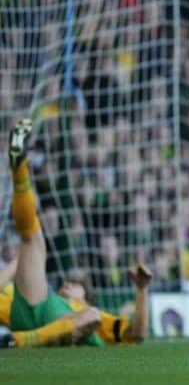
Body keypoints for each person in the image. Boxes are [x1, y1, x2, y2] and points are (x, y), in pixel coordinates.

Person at [0, 118, 153, 349]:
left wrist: (141, 291)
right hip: (34, 305)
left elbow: (137, 335)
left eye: (75, 283)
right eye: (70, 282)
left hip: (43, 327)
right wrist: (19, 263)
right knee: (31, 235)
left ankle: (17, 342)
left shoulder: (97, 316)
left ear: (85, 295)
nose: (68, 284)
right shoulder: (51, 298)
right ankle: (20, 169)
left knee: (90, 317)